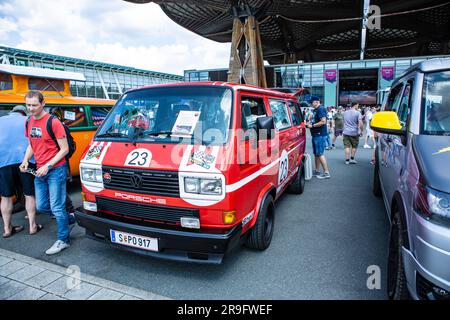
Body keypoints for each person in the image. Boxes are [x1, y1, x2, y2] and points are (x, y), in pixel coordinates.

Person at [20, 91, 72, 255]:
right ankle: (68, 219)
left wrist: (48, 166)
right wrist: (25, 160)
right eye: (28, 105)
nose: (31, 108)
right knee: (42, 205)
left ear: (43, 103)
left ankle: (63, 240)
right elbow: (31, 145)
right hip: (39, 170)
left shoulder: (53, 122)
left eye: (34, 105)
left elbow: (65, 149)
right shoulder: (28, 121)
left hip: (56, 169)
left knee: (56, 206)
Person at [0, 105, 42, 238]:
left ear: (12, 112)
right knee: (29, 194)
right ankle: (32, 225)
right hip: (26, 161)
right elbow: (36, 142)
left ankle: (7, 229)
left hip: (3, 162)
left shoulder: (1, 120)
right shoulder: (29, 120)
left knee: (5, 197)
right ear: (24, 112)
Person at [306, 96, 331, 179]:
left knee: (320, 154)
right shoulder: (316, 110)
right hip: (316, 134)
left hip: (319, 134)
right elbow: (316, 120)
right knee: (317, 154)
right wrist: (311, 120)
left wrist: (312, 125)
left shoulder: (320, 109)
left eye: (312, 102)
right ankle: (317, 170)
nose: (311, 104)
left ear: (316, 102)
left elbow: (323, 121)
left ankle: (326, 172)